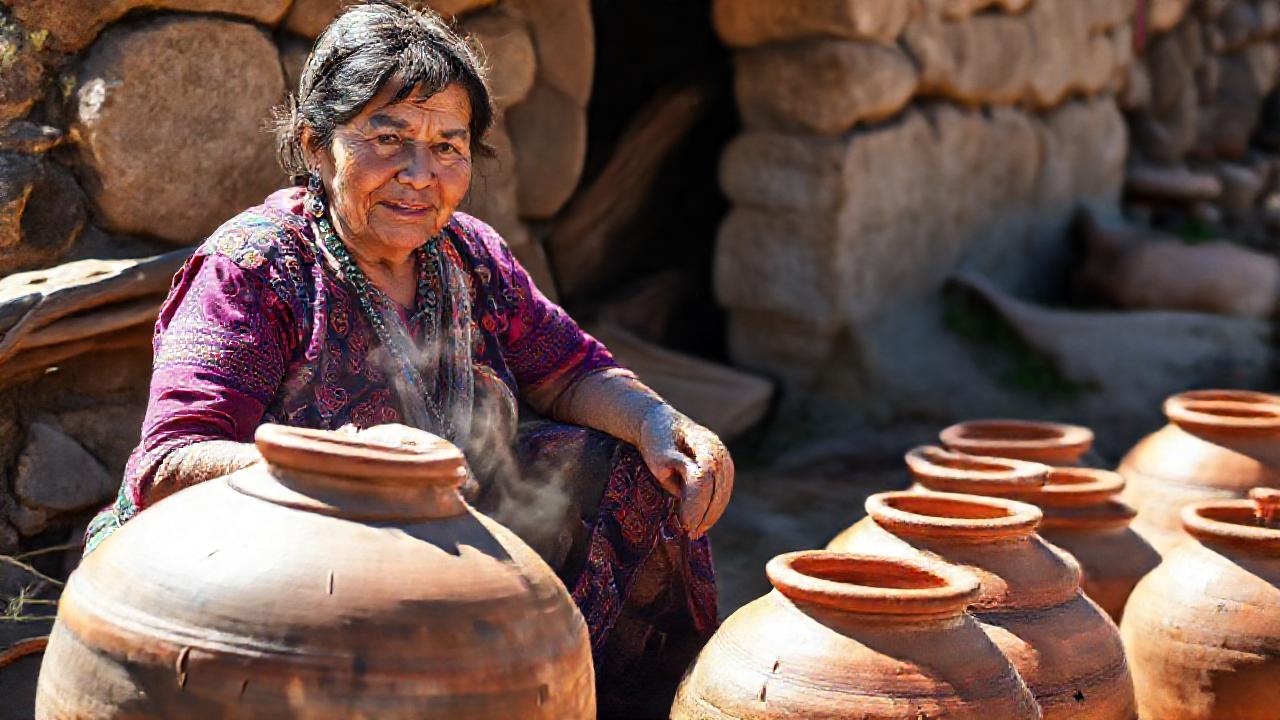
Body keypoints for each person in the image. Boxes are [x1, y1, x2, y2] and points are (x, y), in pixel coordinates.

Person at [84, 0, 733, 712]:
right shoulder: (255, 270)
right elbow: (170, 463)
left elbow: (570, 370)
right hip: (284, 572)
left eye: (448, 146)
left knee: (634, 473)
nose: (420, 174)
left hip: (438, 548)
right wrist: (345, 468)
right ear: (314, 144)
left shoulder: (470, 255)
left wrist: (657, 422)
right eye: (388, 138)